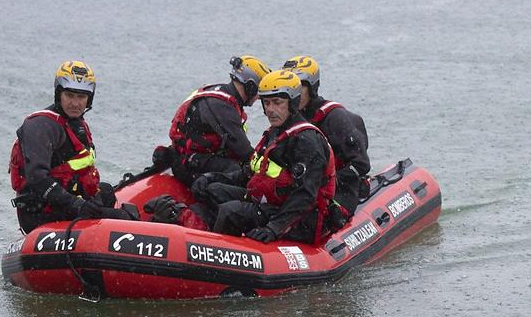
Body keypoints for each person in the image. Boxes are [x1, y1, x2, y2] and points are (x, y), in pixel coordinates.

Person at [8, 60, 138, 232]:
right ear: (58, 94)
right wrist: (77, 205)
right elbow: (37, 179)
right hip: (41, 213)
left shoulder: (76, 124)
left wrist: (82, 202)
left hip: (64, 204)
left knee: (106, 191)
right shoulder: (41, 126)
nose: (75, 103)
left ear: (89, 98)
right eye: (69, 95)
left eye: (81, 97)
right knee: (123, 217)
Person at [210, 69, 335, 244]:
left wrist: (274, 228)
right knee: (212, 189)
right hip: (274, 202)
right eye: (267, 103)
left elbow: (306, 195)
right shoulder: (276, 133)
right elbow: (254, 172)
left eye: (277, 103)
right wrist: (214, 178)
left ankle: (220, 250)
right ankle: (204, 236)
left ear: (292, 103)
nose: (270, 110)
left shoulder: (306, 141)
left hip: (304, 219)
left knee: (231, 211)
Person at [151, 56, 265, 212]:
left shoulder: (219, 94)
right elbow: (245, 151)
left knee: (239, 167)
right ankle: (232, 212)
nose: (258, 97)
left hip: (189, 157)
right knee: (238, 171)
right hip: (188, 163)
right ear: (250, 86)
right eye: (258, 91)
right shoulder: (221, 106)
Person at [282, 54, 371, 222]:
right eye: (289, 89)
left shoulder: (334, 118)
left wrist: (324, 183)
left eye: (299, 87)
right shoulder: (289, 120)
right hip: (305, 188)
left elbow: (361, 164)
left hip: (340, 188)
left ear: (311, 88)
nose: (294, 94)